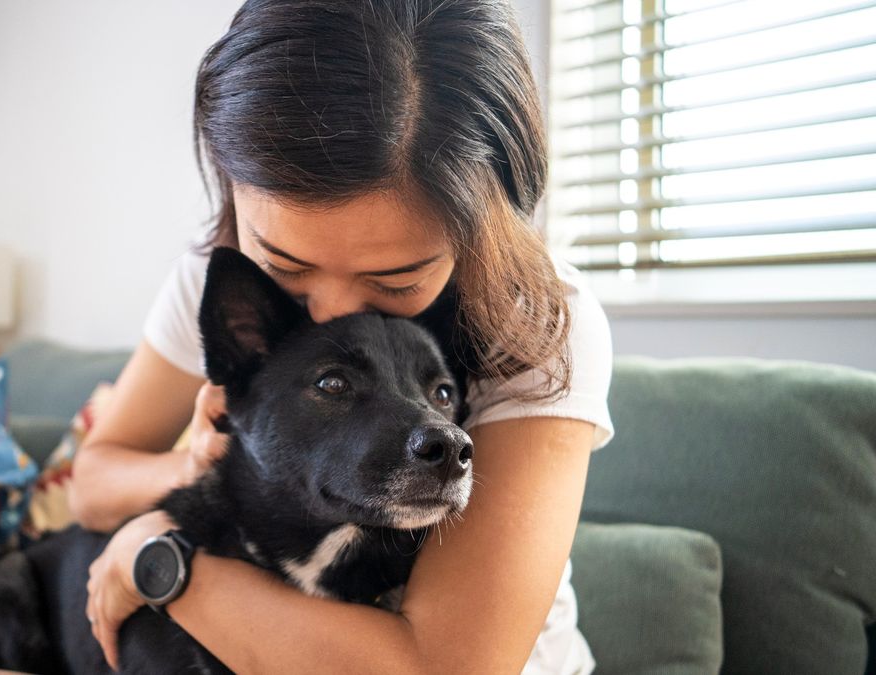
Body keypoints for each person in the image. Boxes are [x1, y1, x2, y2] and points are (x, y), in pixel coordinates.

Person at [69, 1, 615, 673]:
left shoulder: (535, 319)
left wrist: (160, 561)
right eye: (288, 268)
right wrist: (192, 462)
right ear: (229, 181)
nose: (329, 313)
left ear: (483, 223)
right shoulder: (226, 275)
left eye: (394, 280)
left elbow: (439, 668)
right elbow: (91, 479)